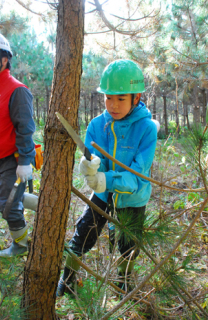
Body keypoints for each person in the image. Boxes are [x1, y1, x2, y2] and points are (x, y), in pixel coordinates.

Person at [56, 59, 158, 296]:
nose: (113, 105)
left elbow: (136, 176)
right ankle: (67, 280)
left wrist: (106, 179)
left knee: (127, 245)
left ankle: (123, 285)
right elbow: (92, 160)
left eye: (121, 98)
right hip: (102, 194)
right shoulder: (97, 125)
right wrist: (88, 169)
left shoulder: (147, 129)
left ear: (136, 97)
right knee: (83, 232)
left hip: (133, 198)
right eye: (108, 97)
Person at [0, 30, 36, 257]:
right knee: (1, 197)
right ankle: (34, 201)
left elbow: (26, 128)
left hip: (12, 160)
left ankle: (21, 246)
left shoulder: (17, 90)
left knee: (7, 206)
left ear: (4, 58)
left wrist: (26, 160)